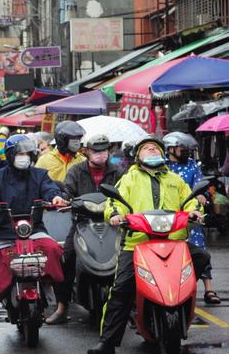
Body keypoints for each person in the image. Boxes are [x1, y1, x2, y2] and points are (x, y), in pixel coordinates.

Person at [88, 136, 211, 354]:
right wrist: (116, 216)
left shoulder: (174, 179)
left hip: (174, 242)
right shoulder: (129, 179)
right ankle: (107, 342)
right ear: (138, 156)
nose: (152, 150)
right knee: (121, 289)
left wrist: (195, 211)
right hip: (137, 243)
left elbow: (190, 200)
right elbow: (115, 202)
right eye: (147, 148)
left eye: (156, 148)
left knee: (201, 257)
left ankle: (182, 301)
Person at [0, 134, 68, 343]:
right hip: (3, 231)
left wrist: (55, 197)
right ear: (10, 155)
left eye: (27, 153)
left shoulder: (40, 175)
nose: (23, 157)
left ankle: (52, 293)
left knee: (54, 250)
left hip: (34, 229)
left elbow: (49, 189)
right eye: (19, 153)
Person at [46, 134, 122, 325]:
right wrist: (62, 198)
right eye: (96, 150)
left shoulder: (118, 171)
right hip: (82, 221)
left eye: (104, 150)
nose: (100, 154)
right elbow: (67, 191)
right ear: (87, 151)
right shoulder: (76, 171)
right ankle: (62, 307)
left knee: (128, 257)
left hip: (112, 221)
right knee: (67, 257)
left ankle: (129, 307)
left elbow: (125, 191)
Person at [163, 132, 221, 305]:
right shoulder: (163, 166)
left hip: (191, 214)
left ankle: (209, 289)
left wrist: (201, 195)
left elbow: (199, 184)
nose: (185, 150)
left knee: (200, 250)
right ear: (171, 148)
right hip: (169, 215)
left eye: (187, 148)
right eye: (182, 147)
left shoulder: (193, 165)